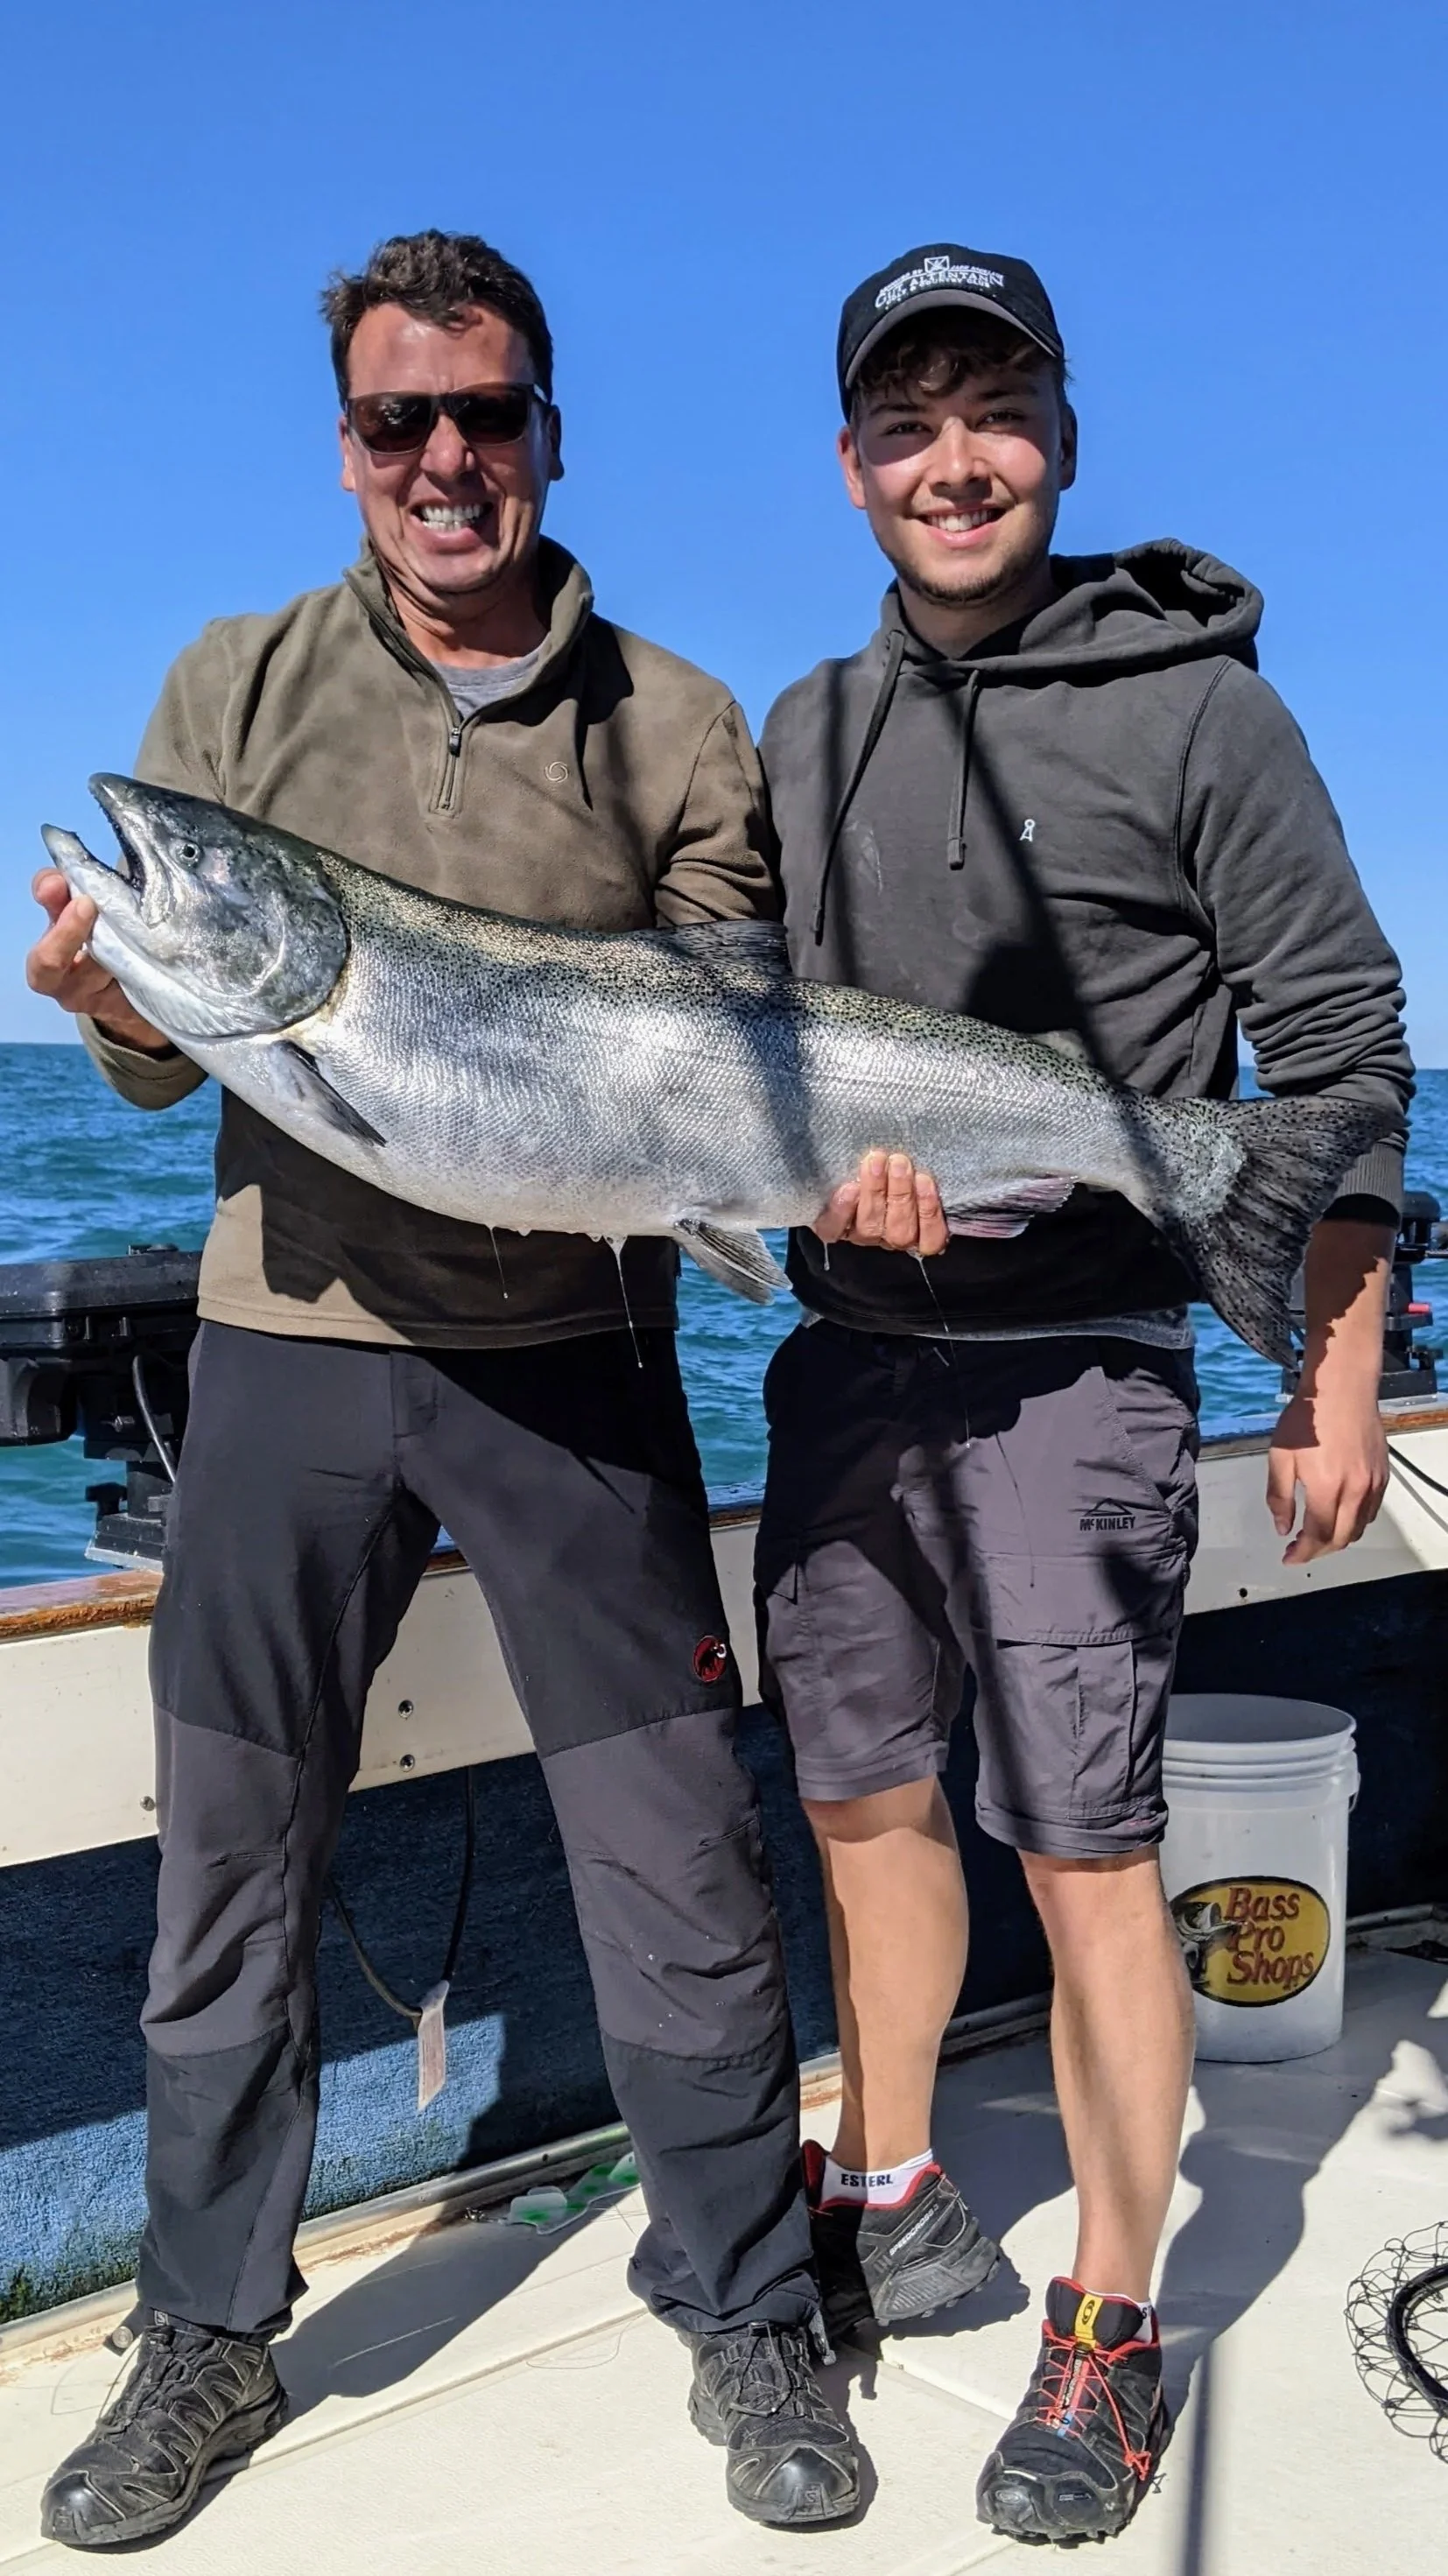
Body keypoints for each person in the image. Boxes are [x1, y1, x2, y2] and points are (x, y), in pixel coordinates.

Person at [26, 229, 859, 2545]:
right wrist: (106, 997)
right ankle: (204, 2331)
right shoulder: (231, 683)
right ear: (348, 449)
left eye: (484, 413)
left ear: (547, 433)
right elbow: (157, 1046)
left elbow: (744, 1057)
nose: (446, 458)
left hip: (573, 1360)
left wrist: (838, 1167)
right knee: (227, 1860)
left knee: (682, 1849)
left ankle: (747, 2292)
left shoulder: (674, 722)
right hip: (288, 1356)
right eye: (401, 420)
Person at [756, 240, 1412, 2547]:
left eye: (995, 413)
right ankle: (887, 2179)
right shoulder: (802, 730)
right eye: (906, 424)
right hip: (845, 1363)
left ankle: (1109, 2318)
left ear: (1060, 435)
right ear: (851, 469)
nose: (956, 462)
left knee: (1086, 1852)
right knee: (862, 1809)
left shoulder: (1201, 714)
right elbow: (748, 1049)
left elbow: (1339, 1050)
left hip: (1083, 1373)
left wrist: (1337, 1369)